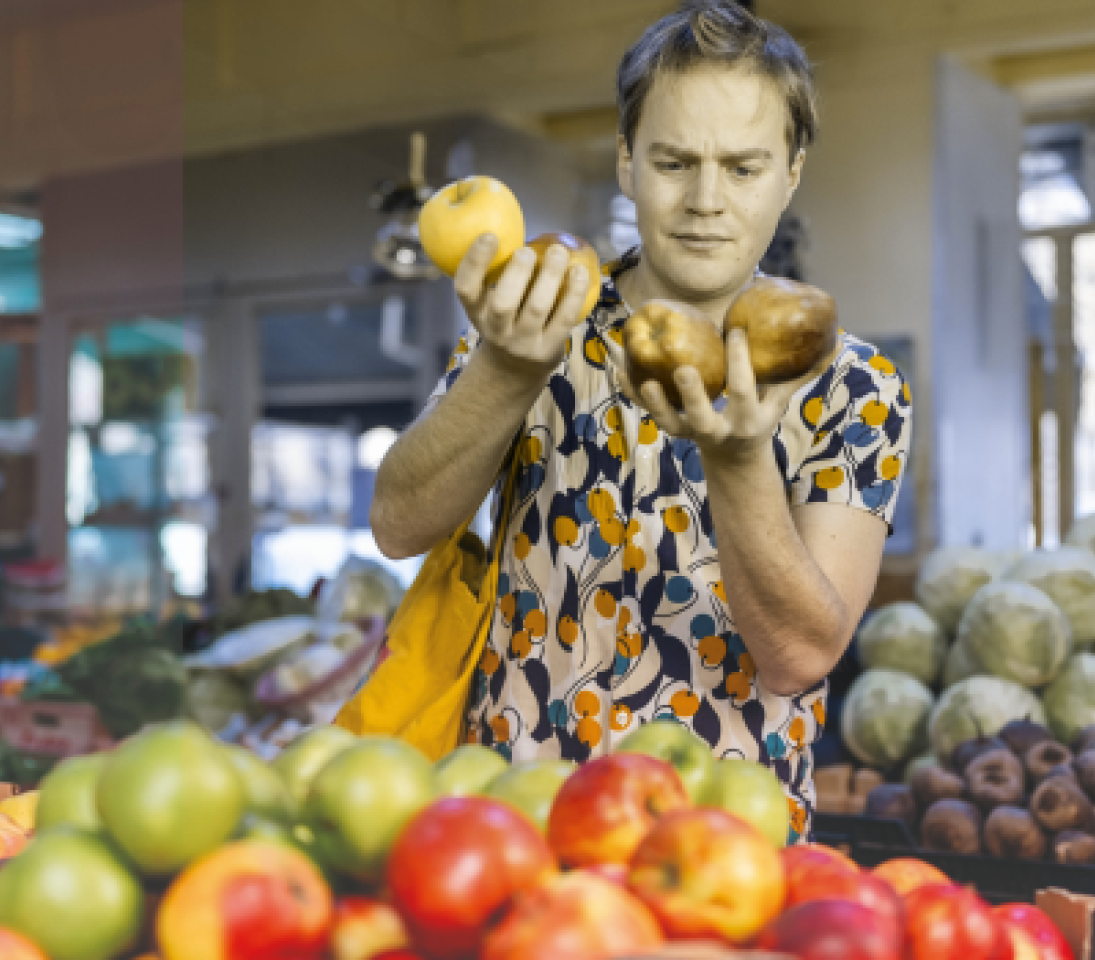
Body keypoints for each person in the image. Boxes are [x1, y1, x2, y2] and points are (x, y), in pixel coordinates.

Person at [369, 0, 911, 841]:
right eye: (672, 162)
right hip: (524, 832)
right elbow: (399, 524)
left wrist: (738, 464)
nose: (704, 201)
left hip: (720, 852)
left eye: (742, 168)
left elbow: (800, 655)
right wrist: (505, 370)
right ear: (626, 162)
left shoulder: (854, 385)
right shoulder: (542, 315)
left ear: (792, 172)